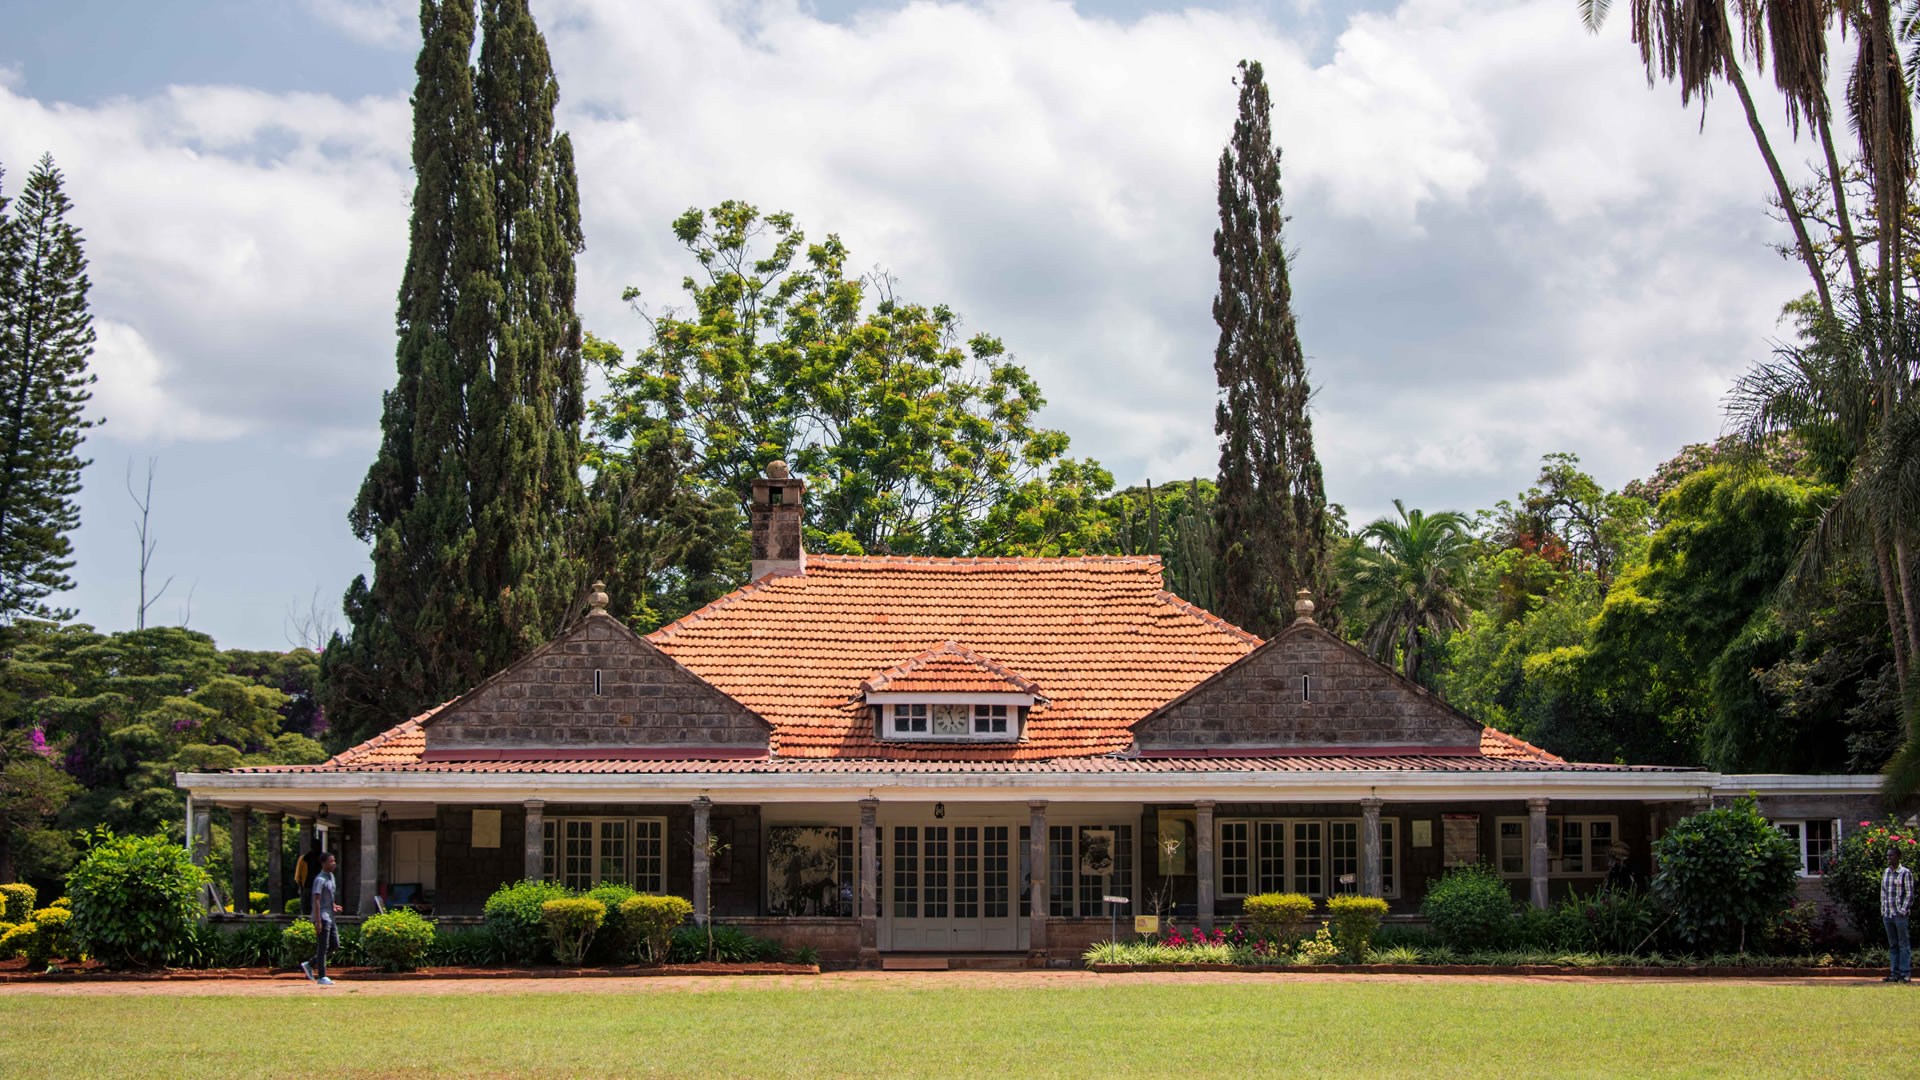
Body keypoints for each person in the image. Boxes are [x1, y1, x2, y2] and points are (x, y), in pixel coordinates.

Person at [301, 852, 343, 986]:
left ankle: (310, 964)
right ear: (323, 863)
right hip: (322, 917)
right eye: (330, 861)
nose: (333, 863)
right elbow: (316, 901)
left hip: (330, 916)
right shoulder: (320, 879)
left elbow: (328, 897)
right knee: (323, 947)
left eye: (334, 861)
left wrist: (334, 906)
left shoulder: (331, 877)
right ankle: (322, 976)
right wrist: (318, 921)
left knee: (335, 945)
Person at [1884, 846, 1913, 984]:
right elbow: (1883, 892)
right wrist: (1883, 910)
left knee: (1903, 944)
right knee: (1893, 945)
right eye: (1888, 856)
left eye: (1891, 856)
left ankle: (1905, 973)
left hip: (1899, 915)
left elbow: (1909, 894)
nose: (1889, 858)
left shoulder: (1905, 873)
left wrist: (1903, 911)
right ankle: (1894, 973)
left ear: (1898, 857)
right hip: (1888, 914)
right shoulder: (1886, 872)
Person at [294, 845, 320, 916]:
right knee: (307, 907)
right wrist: (300, 888)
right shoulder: (304, 858)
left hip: (317, 886)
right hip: (308, 885)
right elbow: (298, 876)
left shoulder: (322, 858)